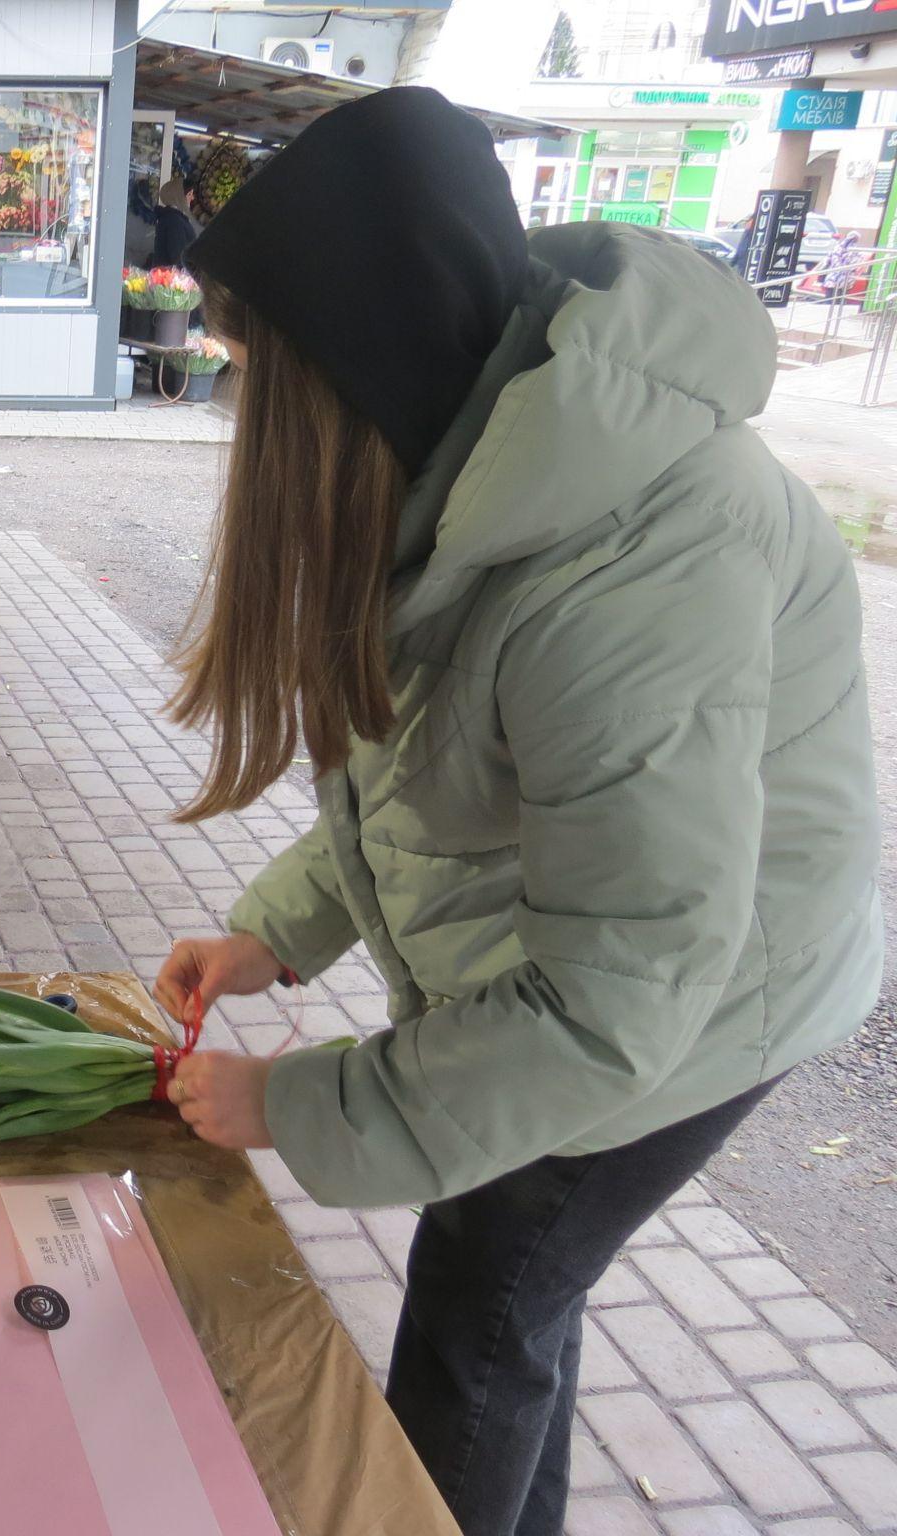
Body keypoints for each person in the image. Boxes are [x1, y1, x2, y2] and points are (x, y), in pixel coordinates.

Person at [151, 88, 878, 1536]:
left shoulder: (629, 564)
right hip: (624, 957)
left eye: (252, 376)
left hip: (705, 990)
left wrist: (299, 1104)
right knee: (509, 1294)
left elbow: (620, 996)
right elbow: (420, 775)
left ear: (348, 375)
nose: (239, 415)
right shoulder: (474, 452)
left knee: (485, 1306)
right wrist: (278, 936)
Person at [148, 177, 197, 269]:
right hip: (171, 279)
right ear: (179, 197)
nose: (192, 198)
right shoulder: (175, 221)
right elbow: (178, 258)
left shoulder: (172, 217)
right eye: (189, 194)